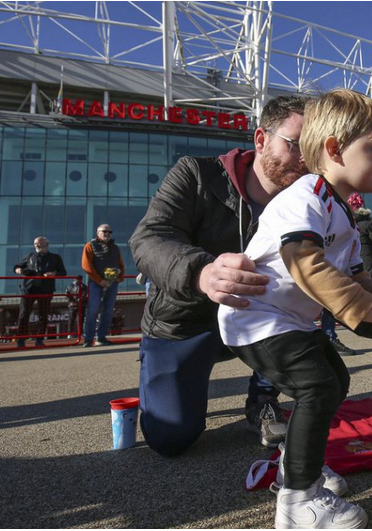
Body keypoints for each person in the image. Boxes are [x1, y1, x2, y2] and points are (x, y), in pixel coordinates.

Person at [219, 89, 372, 529]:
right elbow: (303, 262)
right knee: (318, 388)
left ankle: (298, 466)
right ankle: (297, 503)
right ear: (333, 150)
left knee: (335, 380)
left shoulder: (340, 212)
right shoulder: (306, 195)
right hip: (258, 318)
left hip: (288, 319)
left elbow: (355, 279)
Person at [129, 95, 310, 456]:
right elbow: (149, 239)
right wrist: (203, 272)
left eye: (315, 149)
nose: (307, 159)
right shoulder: (195, 173)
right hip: (185, 321)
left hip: (260, 321)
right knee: (171, 439)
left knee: (309, 331)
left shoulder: (309, 200)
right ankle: (165, 381)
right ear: (261, 140)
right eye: (296, 145)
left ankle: (263, 397)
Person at [13, 237, 67, 348]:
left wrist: (54, 274)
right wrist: (18, 269)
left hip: (46, 289)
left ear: (47, 244)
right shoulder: (29, 256)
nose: (37, 245)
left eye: (39, 243)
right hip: (29, 289)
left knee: (44, 314)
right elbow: (17, 266)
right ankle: (21, 339)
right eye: (35, 244)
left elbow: (63, 272)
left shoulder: (55, 258)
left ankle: (39, 339)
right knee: (24, 314)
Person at [82, 224, 125, 347]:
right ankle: (88, 339)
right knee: (93, 310)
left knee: (108, 310)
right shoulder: (90, 246)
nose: (107, 233)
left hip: (113, 283)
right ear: (98, 232)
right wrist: (99, 280)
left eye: (109, 232)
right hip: (96, 283)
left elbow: (120, 264)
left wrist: (119, 278)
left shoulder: (115, 248)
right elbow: (86, 265)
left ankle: (101, 337)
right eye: (104, 231)